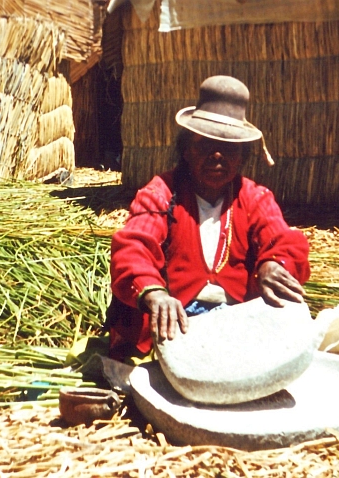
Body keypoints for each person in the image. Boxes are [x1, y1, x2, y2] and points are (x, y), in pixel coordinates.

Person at [106, 75, 310, 363]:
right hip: (172, 324)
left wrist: (272, 265)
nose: (217, 156)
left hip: (237, 321)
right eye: (205, 145)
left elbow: (284, 241)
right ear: (186, 150)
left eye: (229, 148)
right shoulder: (160, 194)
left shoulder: (254, 198)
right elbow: (134, 248)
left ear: (242, 156)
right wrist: (155, 294)